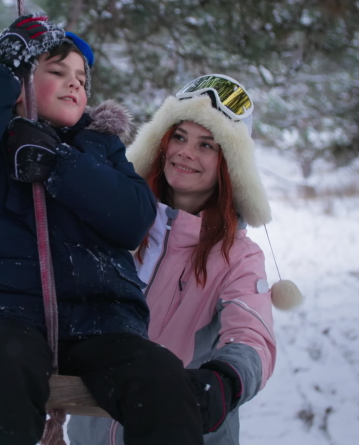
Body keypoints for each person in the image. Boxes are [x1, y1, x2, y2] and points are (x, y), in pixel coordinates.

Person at [0, 15, 205, 445]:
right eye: (56, 72)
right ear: (20, 91)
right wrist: (2, 73)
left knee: (162, 377)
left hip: (103, 321)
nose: (74, 84)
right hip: (2, 313)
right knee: (1, 360)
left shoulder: (103, 150)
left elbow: (134, 219)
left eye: (81, 78)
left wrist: (61, 164)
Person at [67, 74, 303, 445]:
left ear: (230, 163)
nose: (185, 152)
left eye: (207, 145)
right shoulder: (118, 224)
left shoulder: (238, 257)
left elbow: (251, 336)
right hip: (90, 432)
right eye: (179, 137)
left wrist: (224, 381)